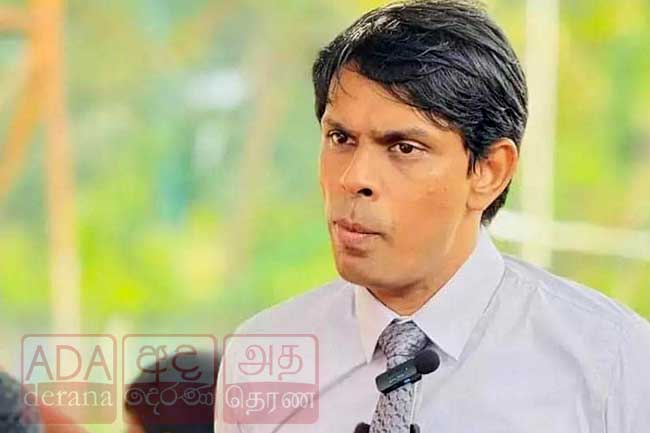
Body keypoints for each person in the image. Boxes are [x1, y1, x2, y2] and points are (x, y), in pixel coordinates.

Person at [215, 1, 650, 432]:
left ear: (489, 170)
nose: (354, 178)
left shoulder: (612, 363)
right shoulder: (262, 357)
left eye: (403, 147)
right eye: (340, 138)